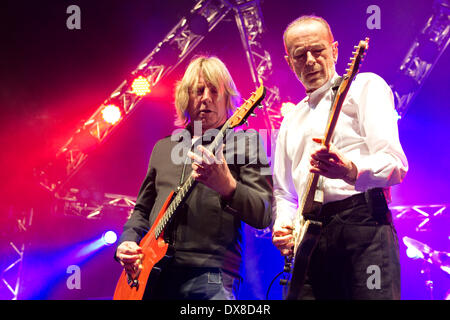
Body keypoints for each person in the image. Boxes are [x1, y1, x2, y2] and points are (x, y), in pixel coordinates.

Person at [272, 15, 408, 299]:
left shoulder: (364, 87)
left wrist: (349, 170)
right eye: (300, 55)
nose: (310, 60)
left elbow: (395, 164)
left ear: (335, 50)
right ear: (290, 62)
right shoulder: (290, 120)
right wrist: (283, 224)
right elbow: (283, 192)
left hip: (363, 224)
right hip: (309, 237)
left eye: (318, 51)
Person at [115, 55, 273, 300]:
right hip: (154, 275)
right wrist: (128, 241)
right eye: (199, 91)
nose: (206, 98)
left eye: (214, 90)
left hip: (212, 275)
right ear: (185, 98)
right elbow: (141, 211)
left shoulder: (247, 142)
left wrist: (229, 186)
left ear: (227, 98)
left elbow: (263, 213)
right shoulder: (163, 148)